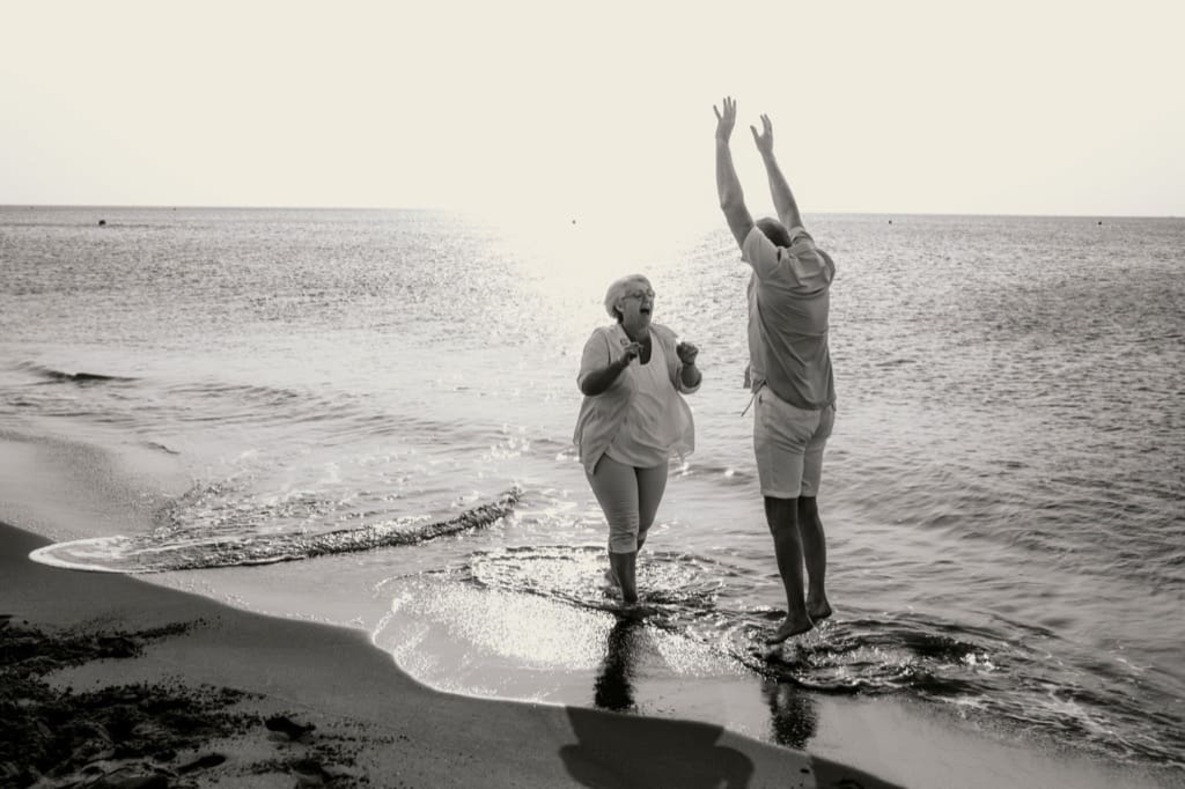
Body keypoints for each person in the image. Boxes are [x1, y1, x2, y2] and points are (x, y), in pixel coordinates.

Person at [713, 96, 838, 643]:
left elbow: (730, 203)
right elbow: (790, 212)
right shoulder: (813, 260)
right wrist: (768, 155)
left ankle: (796, 613)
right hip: (821, 409)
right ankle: (819, 597)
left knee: (780, 515)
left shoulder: (774, 272)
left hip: (784, 413)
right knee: (808, 507)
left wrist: (722, 143)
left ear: (762, 252)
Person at [574, 275, 702, 605]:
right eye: (638, 294)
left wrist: (689, 364)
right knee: (625, 526)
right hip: (610, 444)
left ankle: (615, 575)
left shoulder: (663, 338)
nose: (647, 299)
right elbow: (587, 385)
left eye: (651, 294)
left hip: (653, 444)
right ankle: (630, 601)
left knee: (643, 525)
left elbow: (687, 384)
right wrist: (620, 364)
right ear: (619, 304)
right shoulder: (603, 339)